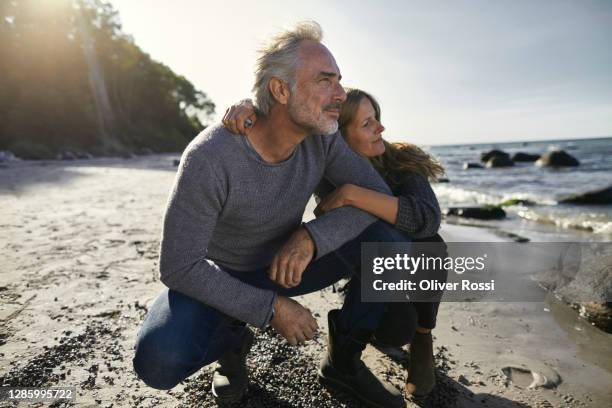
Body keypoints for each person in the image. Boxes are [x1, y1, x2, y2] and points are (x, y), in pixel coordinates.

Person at [132, 21, 409, 408]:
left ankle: (343, 362)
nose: (340, 94)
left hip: (286, 265)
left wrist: (313, 236)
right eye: (325, 81)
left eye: (340, 82)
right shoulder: (210, 157)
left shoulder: (323, 139)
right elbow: (178, 267)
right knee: (158, 361)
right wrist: (270, 309)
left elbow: (375, 197)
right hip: (220, 274)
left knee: (390, 244)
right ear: (280, 90)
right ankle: (232, 344)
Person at [223, 87, 447, 397]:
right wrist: (249, 107)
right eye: (367, 123)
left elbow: (427, 218)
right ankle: (233, 339)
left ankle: (423, 339)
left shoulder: (401, 162)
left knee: (429, 252)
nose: (381, 128)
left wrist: (353, 194)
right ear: (338, 136)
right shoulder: (323, 163)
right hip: (358, 260)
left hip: (401, 269)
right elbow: (285, 124)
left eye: (377, 119)